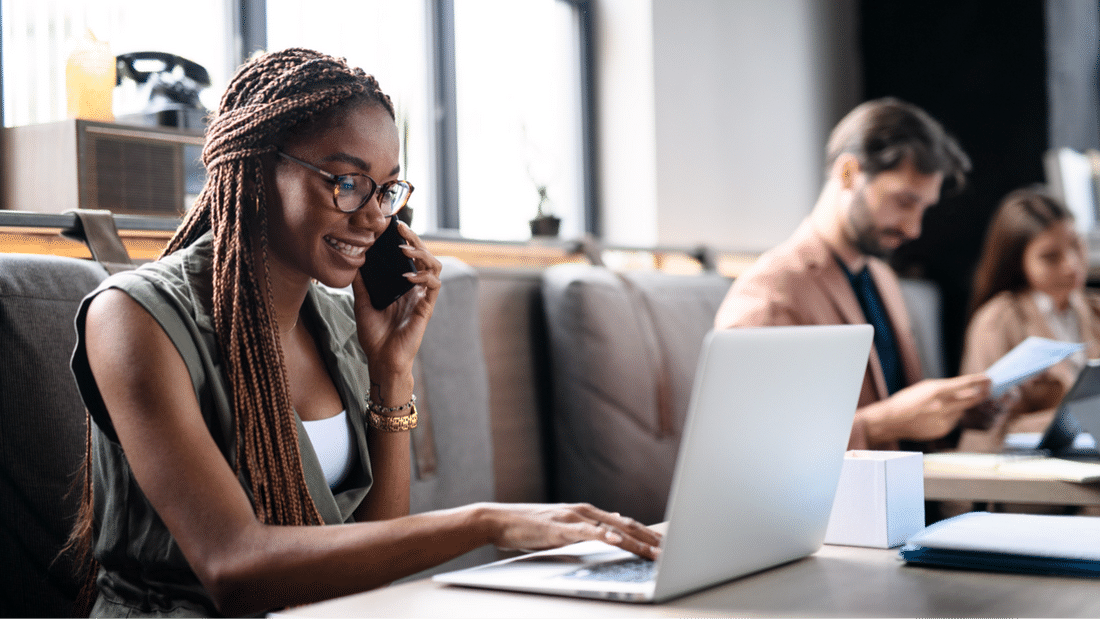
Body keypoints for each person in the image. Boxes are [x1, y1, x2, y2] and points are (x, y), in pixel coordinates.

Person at [66, 48, 660, 618]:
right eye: (346, 181)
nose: (376, 215)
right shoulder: (132, 319)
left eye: (386, 188)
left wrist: (391, 372)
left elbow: (374, 555)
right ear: (255, 167)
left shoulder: (337, 324)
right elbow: (232, 566)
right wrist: (486, 523)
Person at [714, 97, 1000, 451]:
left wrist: (951, 417)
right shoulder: (770, 293)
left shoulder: (881, 278)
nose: (914, 229)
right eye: (904, 202)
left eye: (923, 208)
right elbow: (754, 446)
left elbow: (897, 411)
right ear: (848, 173)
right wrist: (882, 423)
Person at [958, 187, 1100, 452]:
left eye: (1076, 245)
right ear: (1017, 261)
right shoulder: (999, 320)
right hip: (1012, 473)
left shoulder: (1094, 309)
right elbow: (989, 427)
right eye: (1050, 257)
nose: (1072, 265)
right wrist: (1081, 420)